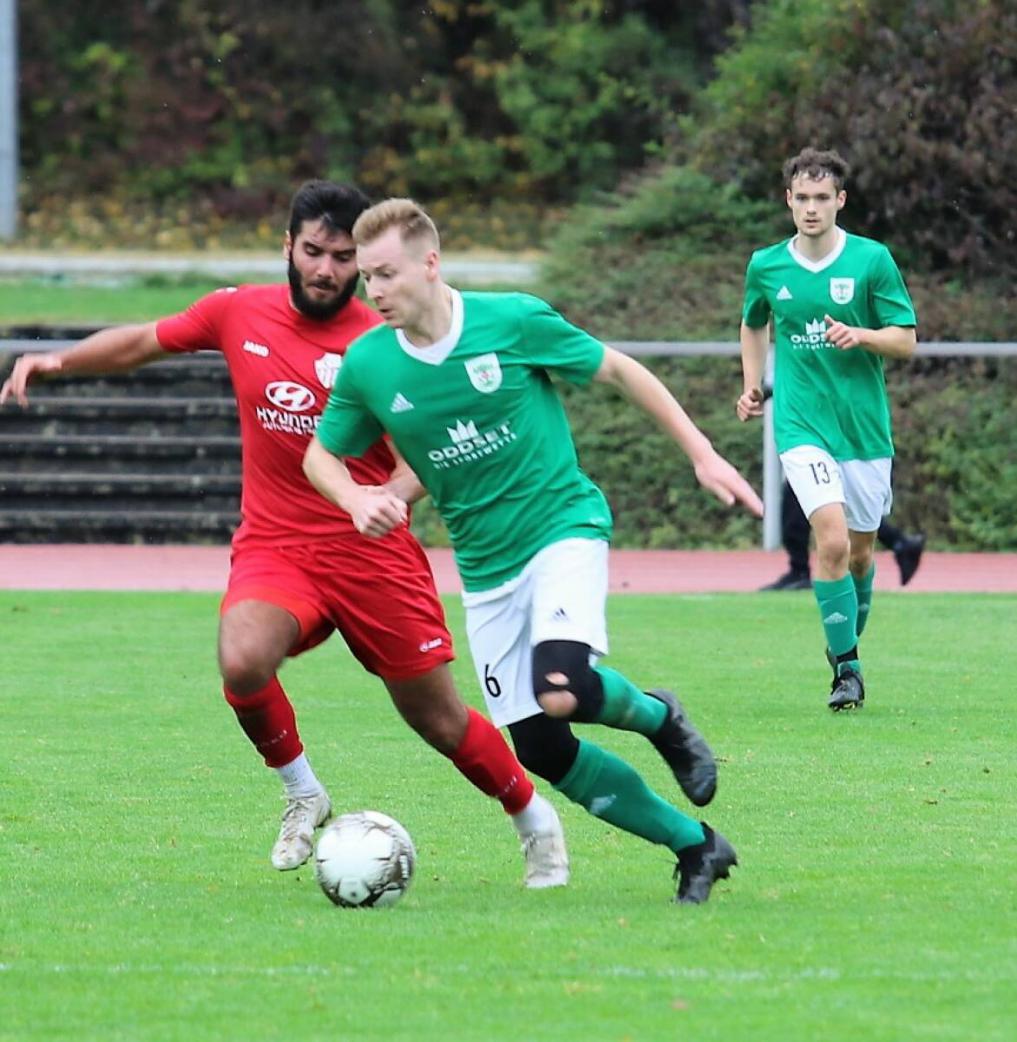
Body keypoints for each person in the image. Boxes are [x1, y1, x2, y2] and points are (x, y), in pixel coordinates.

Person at [0, 180, 569, 887]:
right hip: (278, 547)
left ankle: (532, 818)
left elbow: (433, 446)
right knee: (241, 660)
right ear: (288, 248)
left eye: (341, 257)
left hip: (373, 556)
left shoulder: (386, 339)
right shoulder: (238, 312)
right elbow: (145, 342)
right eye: (312, 252)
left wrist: (386, 496)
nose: (325, 270)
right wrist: (59, 362)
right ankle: (302, 790)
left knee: (440, 721)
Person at [303, 198, 764, 904]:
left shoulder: (510, 321)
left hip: (560, 530)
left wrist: (701, 453)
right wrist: (361, 499)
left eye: (387, 274)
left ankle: (659, 717)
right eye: (367, 278)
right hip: (486, 571)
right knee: (542, 748)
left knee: (563, 688)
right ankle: (696, 845)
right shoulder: (368, 364)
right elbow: (320, 457)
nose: (375, 291)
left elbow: (617, 371)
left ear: (430, 263)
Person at [736, 147, 917, 710]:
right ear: (789, 200)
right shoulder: (766, 265)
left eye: (822, 198)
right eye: (802, 198)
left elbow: (906, 339)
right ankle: (848, 670)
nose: (811, 208)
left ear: (840, 201)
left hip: (863, 430)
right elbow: (753, 323)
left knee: (861, 555)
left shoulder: (871, 260)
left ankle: (844, 644)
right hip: (800, 424)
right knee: (832, 541)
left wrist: (861, 335)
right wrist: (753, 382)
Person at [761, 479, 925, 591]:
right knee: (840, 509)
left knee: (807, 499)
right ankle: (900, 543)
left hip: (832, 446)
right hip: (837, 446)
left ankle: (799, 570)